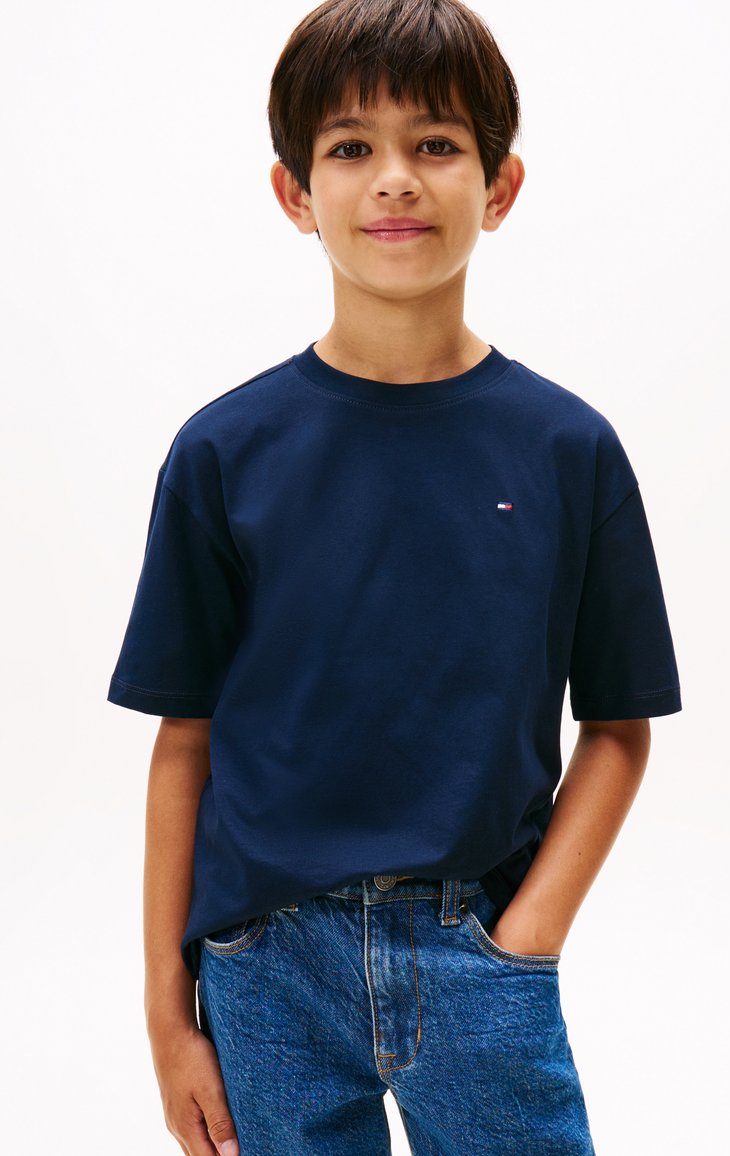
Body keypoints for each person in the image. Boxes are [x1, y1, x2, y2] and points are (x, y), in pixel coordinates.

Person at [107, 1, 682, 1152]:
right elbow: (186, 739)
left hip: (479, 952)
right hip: (265, 968)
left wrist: (525, 941)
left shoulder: (567, 450)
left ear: (499, 184)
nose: (394, 181)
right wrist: (170, 1021)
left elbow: (616, 726)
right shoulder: (223, 452)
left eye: (434, 145)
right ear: (293, 192)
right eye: (349, 147)